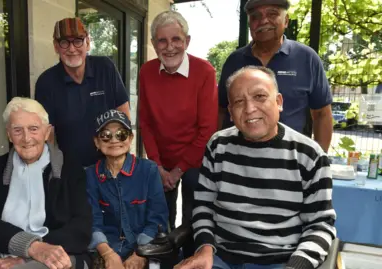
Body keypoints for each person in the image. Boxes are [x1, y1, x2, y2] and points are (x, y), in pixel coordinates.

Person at [175, 66, 336, 269]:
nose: (250, 108)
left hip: (282, 261)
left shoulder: (309, 155)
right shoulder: (218, 145)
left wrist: (296, 266)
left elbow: (320, 225)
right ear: (231, 113)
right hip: (222, 258)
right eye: (239, 102)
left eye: (259, 96)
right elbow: (203, 207)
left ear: (278, 102)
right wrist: (205, 248)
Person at [0, 97, 92, 269]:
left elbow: (81, 228)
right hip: (2, 254)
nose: (26, 138)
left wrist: (32, 255)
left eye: (33, 129)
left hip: (62, 253)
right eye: (17, 130)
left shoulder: (70, 169)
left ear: (47, 132)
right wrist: (31, 248)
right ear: (9, 134)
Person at [138, 10, 218, 254]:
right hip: (162, 159)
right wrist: (158, 167)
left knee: (193, 216)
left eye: (176, 39)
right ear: (153, 44)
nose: (169, 47)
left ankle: (192, 259)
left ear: (187, 41)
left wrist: (179, 169)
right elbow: (145, 123)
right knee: (161, 218)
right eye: (162, 40)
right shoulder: (146, 72)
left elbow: (207, 129)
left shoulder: (204, 72)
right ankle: (167, 261)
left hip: (194, 160)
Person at [217, 0, 333, 152]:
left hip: (291, 161)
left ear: (286, 21)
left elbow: (322, 114)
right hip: (238, 159)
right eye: (255, 16)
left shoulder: (306, 58)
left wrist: (319, 161)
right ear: (250, 24)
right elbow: (221, 110)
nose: (263, 21)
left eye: (272, 14)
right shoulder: (234, 61)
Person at [35, 17, 130, 167]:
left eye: (78, 41)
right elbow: (48, 134)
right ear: (56, 46)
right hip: (70, 171)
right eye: (64, 42)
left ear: (88, 42)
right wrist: (55, 171)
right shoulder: (46, 82)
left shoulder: (106, 68)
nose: (72, 49)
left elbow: (123, 113)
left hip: (110, 164)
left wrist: (124, 157)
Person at [86, 109, 169, 269]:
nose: (114, 140)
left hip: (145, 247)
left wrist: (140, 254)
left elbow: (157, 219)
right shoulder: (90, 175)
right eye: (105, 135)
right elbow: (92, 222)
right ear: (96, 142)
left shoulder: (148, 170)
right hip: (105, 249)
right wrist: (108, 255)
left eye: (121, 134)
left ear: (130, 138)